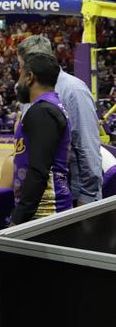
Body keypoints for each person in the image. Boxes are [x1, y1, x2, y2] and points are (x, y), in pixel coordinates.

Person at [17, 34, 102, 206]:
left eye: (21, 66)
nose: (19, 72)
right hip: (41, 194)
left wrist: (86, 198)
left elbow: (87, 148)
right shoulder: (29, 91)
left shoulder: (73, 90)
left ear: (31, 69)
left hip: (71, 195)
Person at [10, 52, 73, 224]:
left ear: (30, 77)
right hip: (42, 208)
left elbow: (38, 170)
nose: (18, 82)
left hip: (45, 211)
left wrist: (18, 218)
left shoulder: (43, 111)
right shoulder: (49, 106)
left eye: (20, 74)